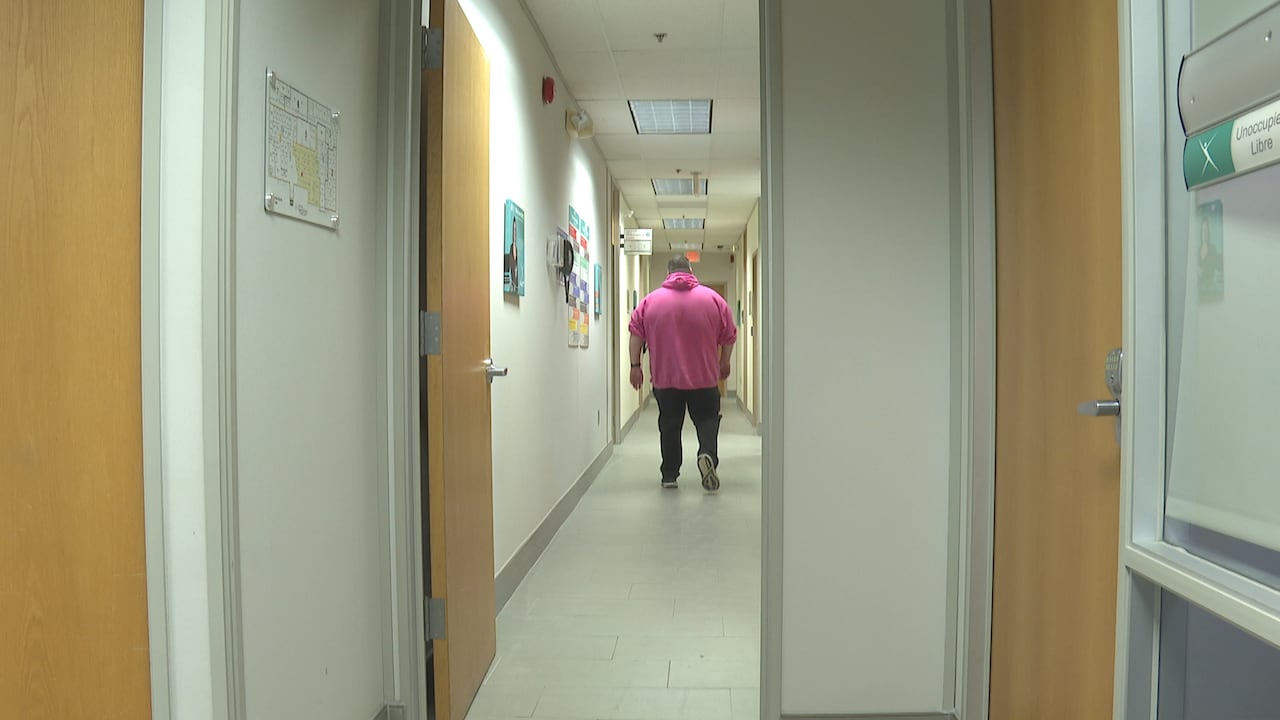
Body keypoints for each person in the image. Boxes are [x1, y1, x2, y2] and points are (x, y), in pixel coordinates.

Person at [629, 255, 737, 491]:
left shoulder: (650, 302)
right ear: (690, 271)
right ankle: (707, 454)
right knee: (707, 421)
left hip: (666, 378)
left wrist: (635, 366)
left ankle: (669, 475)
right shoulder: (713, 299)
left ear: (668, 273)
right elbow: (730, 335)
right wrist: (725, 361)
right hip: (704, 377)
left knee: (669, 424)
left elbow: (636, 335)